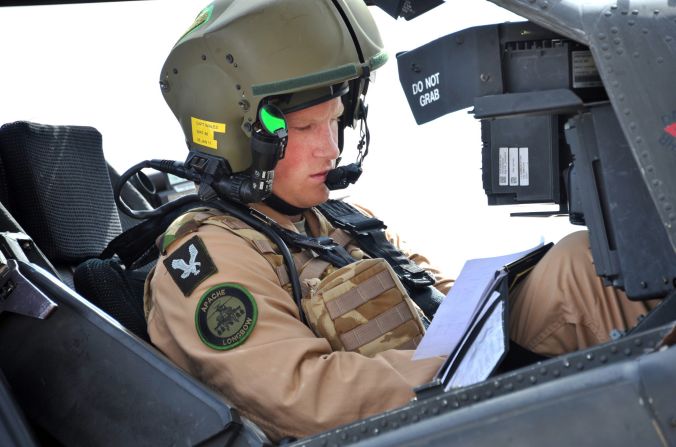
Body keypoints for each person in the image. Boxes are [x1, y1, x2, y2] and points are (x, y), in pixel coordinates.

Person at [143, 0, 655, 441]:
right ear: (239, 139)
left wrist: (484, 331)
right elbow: (306, 399)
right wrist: (471, 363)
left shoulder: (342, 219)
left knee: (588, 263)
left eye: (336, 119)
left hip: (444, 401)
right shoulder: (206, 261)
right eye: (305, 128)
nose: (332, 147)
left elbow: (442, 300)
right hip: (404, 425)